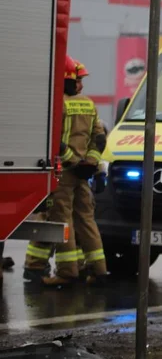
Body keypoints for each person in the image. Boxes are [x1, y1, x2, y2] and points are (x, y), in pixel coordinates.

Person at [23, 57, 108, 288]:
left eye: (80, 81)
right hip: (82, 174)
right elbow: (99, 138)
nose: (81, 85)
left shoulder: (54, 105)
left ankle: (68, 272)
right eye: (78, 80)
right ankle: (99, 271)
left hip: (64, 174)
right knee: (86, 220)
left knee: (62, 223)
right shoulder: (89, 104)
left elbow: (53, 143)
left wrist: (74, 162)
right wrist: (91, 164)